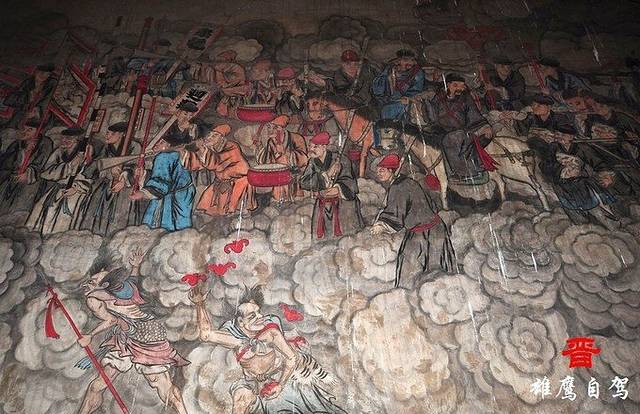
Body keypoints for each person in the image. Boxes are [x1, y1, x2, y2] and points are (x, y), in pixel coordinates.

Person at [190, 285, 346, 414]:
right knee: (240, 400)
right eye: (252, 316)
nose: (259, 317)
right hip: (252, 381)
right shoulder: (235, 338)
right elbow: (206, 335)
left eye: (259, 312)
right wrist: (199, 304)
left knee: (302, 362)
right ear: (241, 322)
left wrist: (280, 384)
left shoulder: (270, 333)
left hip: (279, 372)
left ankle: (319, 373)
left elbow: (291, 358)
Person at [77, 249, 188, 414]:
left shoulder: (117, 290)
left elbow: (107, 294)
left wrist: (92, 291)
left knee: (161, 384)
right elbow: (112, 318)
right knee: (98, 384)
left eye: (98, 278)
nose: (96, 281)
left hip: (147, 335)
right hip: (125, 338)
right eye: (93, 280)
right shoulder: (111, 291)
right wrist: (90, 335)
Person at [514, 94, 619, 228]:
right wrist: (561, 171)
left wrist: (606, 175)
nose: (534, 108)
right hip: (563, 183)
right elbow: (546, 164)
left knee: (593, 193)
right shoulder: (550, 144)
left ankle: (605, 215)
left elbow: (596, 161)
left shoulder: (578, 144)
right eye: (533, 105)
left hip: (582, 181)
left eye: (538, 105)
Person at [370, 154, 456, 288]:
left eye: (382, 170)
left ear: (391, 170)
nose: (378, 174)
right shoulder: (405, 182)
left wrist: (382, 225)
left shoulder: (399, 186)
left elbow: (396, 213)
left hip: (428, 232)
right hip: (428, 229)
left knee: (422, 270)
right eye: (378, 171)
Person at [425, 73, 494, 184]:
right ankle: (462, 172)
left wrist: (484, 126)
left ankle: (468, 171)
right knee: (451, 138)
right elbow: (432, 117)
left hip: (464, 130)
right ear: (448, 85)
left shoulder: (466, 98)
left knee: (461, 137)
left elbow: (474, 114)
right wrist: (426, 103)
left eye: (462, 86)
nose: (459, 89)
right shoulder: (438, 97)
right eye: (455, 85)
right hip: (442, 131)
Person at [26, 127, 96, 234]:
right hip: (57, 189)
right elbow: (45, 172)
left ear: (77, 141)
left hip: (76, 191)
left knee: (65, 219)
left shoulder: (85, 153)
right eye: (63, 138)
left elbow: (90, 175)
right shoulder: (58, 152)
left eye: (68, 139)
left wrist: (76, 188)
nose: (64, 141)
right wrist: (68, 166)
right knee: (39, 210)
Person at [81, 122, 144, 235]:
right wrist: (107, 169)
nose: (107, 136)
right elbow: (98, 165)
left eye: (112, 133)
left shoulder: (135, 146)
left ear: (122, 135)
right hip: (106, 185)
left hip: (126, 185)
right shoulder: (106, 148)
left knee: (121, 213)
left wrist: (124, 176)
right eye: (107, 133)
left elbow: (136, 166)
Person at [300, 131, 364, 239]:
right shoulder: (312, 162)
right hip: (322, 204)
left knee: (346, 237)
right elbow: (304, 182)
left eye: (315, 147)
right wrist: (327, 174)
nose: (311, 149)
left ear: (324, 147)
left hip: (342, 205)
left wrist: (338, 189)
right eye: (310, 146)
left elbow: (352, 184)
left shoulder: (341, 160)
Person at [183, 123, 257, 216]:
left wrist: (202, 149)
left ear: (221, 138)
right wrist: (191, 151)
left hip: (239, 179)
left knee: (234, 203)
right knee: (205, 204)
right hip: (221, 181)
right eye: (209, 135)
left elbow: (216, 164)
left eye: (214, 136)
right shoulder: (210, 148)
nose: (209, 138)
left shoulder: (231, 146)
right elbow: (198, 164)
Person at [130, 130, 196, 232]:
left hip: (171, 198)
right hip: (184, 194)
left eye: (161, 142)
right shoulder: (176, 154)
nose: (156, 144)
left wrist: (143, 193)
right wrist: (144, 174)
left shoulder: (163, 157)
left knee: (163, 229)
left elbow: (161, 182)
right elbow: (166, 176)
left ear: (168, 145)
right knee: (181, 229)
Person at [372, 49, 425, 146]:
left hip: (407, 101)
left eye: (412, 60)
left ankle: (390, 142)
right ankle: (378, 143)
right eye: (405, 60)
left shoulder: (417, 73)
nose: (409, 63)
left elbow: (417, 90)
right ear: (399, 60)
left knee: (388, 110)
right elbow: (378, 88)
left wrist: (406, 97)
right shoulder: (390, 70)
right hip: (386, 100)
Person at [0, 118, 52, 213]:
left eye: (29, 130)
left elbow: (42, 163)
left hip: (31, 180)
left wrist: (28, 174)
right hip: (11, 178)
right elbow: (7, 162)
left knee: (19, 208)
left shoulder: (45, 143)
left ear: (38, 131)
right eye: (24, 129)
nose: (25, 132)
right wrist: (24, 150)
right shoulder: (17, 143)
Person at [256, 115, 308, 203]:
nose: (270, 130)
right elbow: (266, 161)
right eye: (269, 127)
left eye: (275, 127)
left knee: (282, 160)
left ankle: (289, 196)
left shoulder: (296, 138)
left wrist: (285, 153)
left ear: (283, 129)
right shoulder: (271, 141)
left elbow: (304, 159)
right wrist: (259, 146)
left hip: (295, 170)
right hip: (277, 174)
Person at [309, 49, 379, 112]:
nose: (352, 67)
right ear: (342, 64)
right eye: (348, 64)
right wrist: (324, 83)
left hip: (368, 105)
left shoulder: (366, 72)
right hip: (349, 107)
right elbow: (339, 88)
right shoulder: (339, 75)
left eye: (355, 64)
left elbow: (368, 91)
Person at [213, 50, 248, 117]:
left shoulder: (237, 68)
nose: (218, 61)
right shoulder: (225, 68)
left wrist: (218, 71)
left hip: (236, 92)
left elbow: (223, 84)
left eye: (222, 59)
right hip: (230, 92)